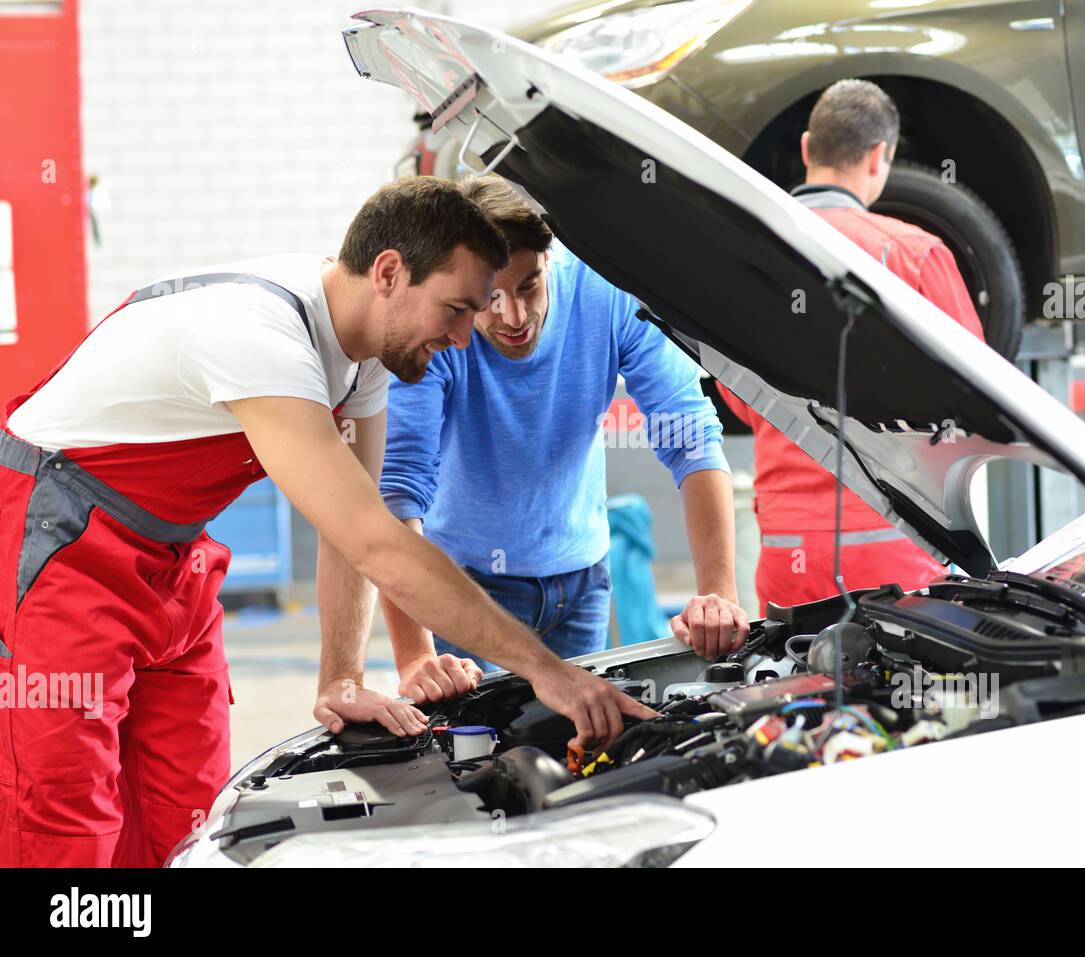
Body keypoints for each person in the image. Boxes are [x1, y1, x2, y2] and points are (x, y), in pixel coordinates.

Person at [0, 176, 653, 868]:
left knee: (190, 813)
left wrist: (340, 678)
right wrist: (548, 671)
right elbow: (380, 544)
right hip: (59, 539)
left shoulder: (359, 355)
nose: (466, 338)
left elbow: (354, 526)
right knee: (65, 820)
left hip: (172, 556)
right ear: (390, 272)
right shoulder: (259, 337)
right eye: (458, 308)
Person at [378, 176, 750, 694]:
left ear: (550, 257)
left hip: (581, 584)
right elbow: (397, 492)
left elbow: (690, 435)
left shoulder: (608, 292)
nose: (514, 317)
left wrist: (718, 594)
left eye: (528, 285)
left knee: (585, 754)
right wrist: (416, 655)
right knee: (478, 762)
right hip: (462, 590)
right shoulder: (438, 325)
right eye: (489, 296)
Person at [718, 79, 985, 613]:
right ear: (880, 155)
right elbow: (976, 401)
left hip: (789, 559)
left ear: (805, 148)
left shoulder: (745, 259)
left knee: (799, 690)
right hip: (901, 554)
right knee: (905, 693)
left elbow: (742, 404)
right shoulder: (915, 254)